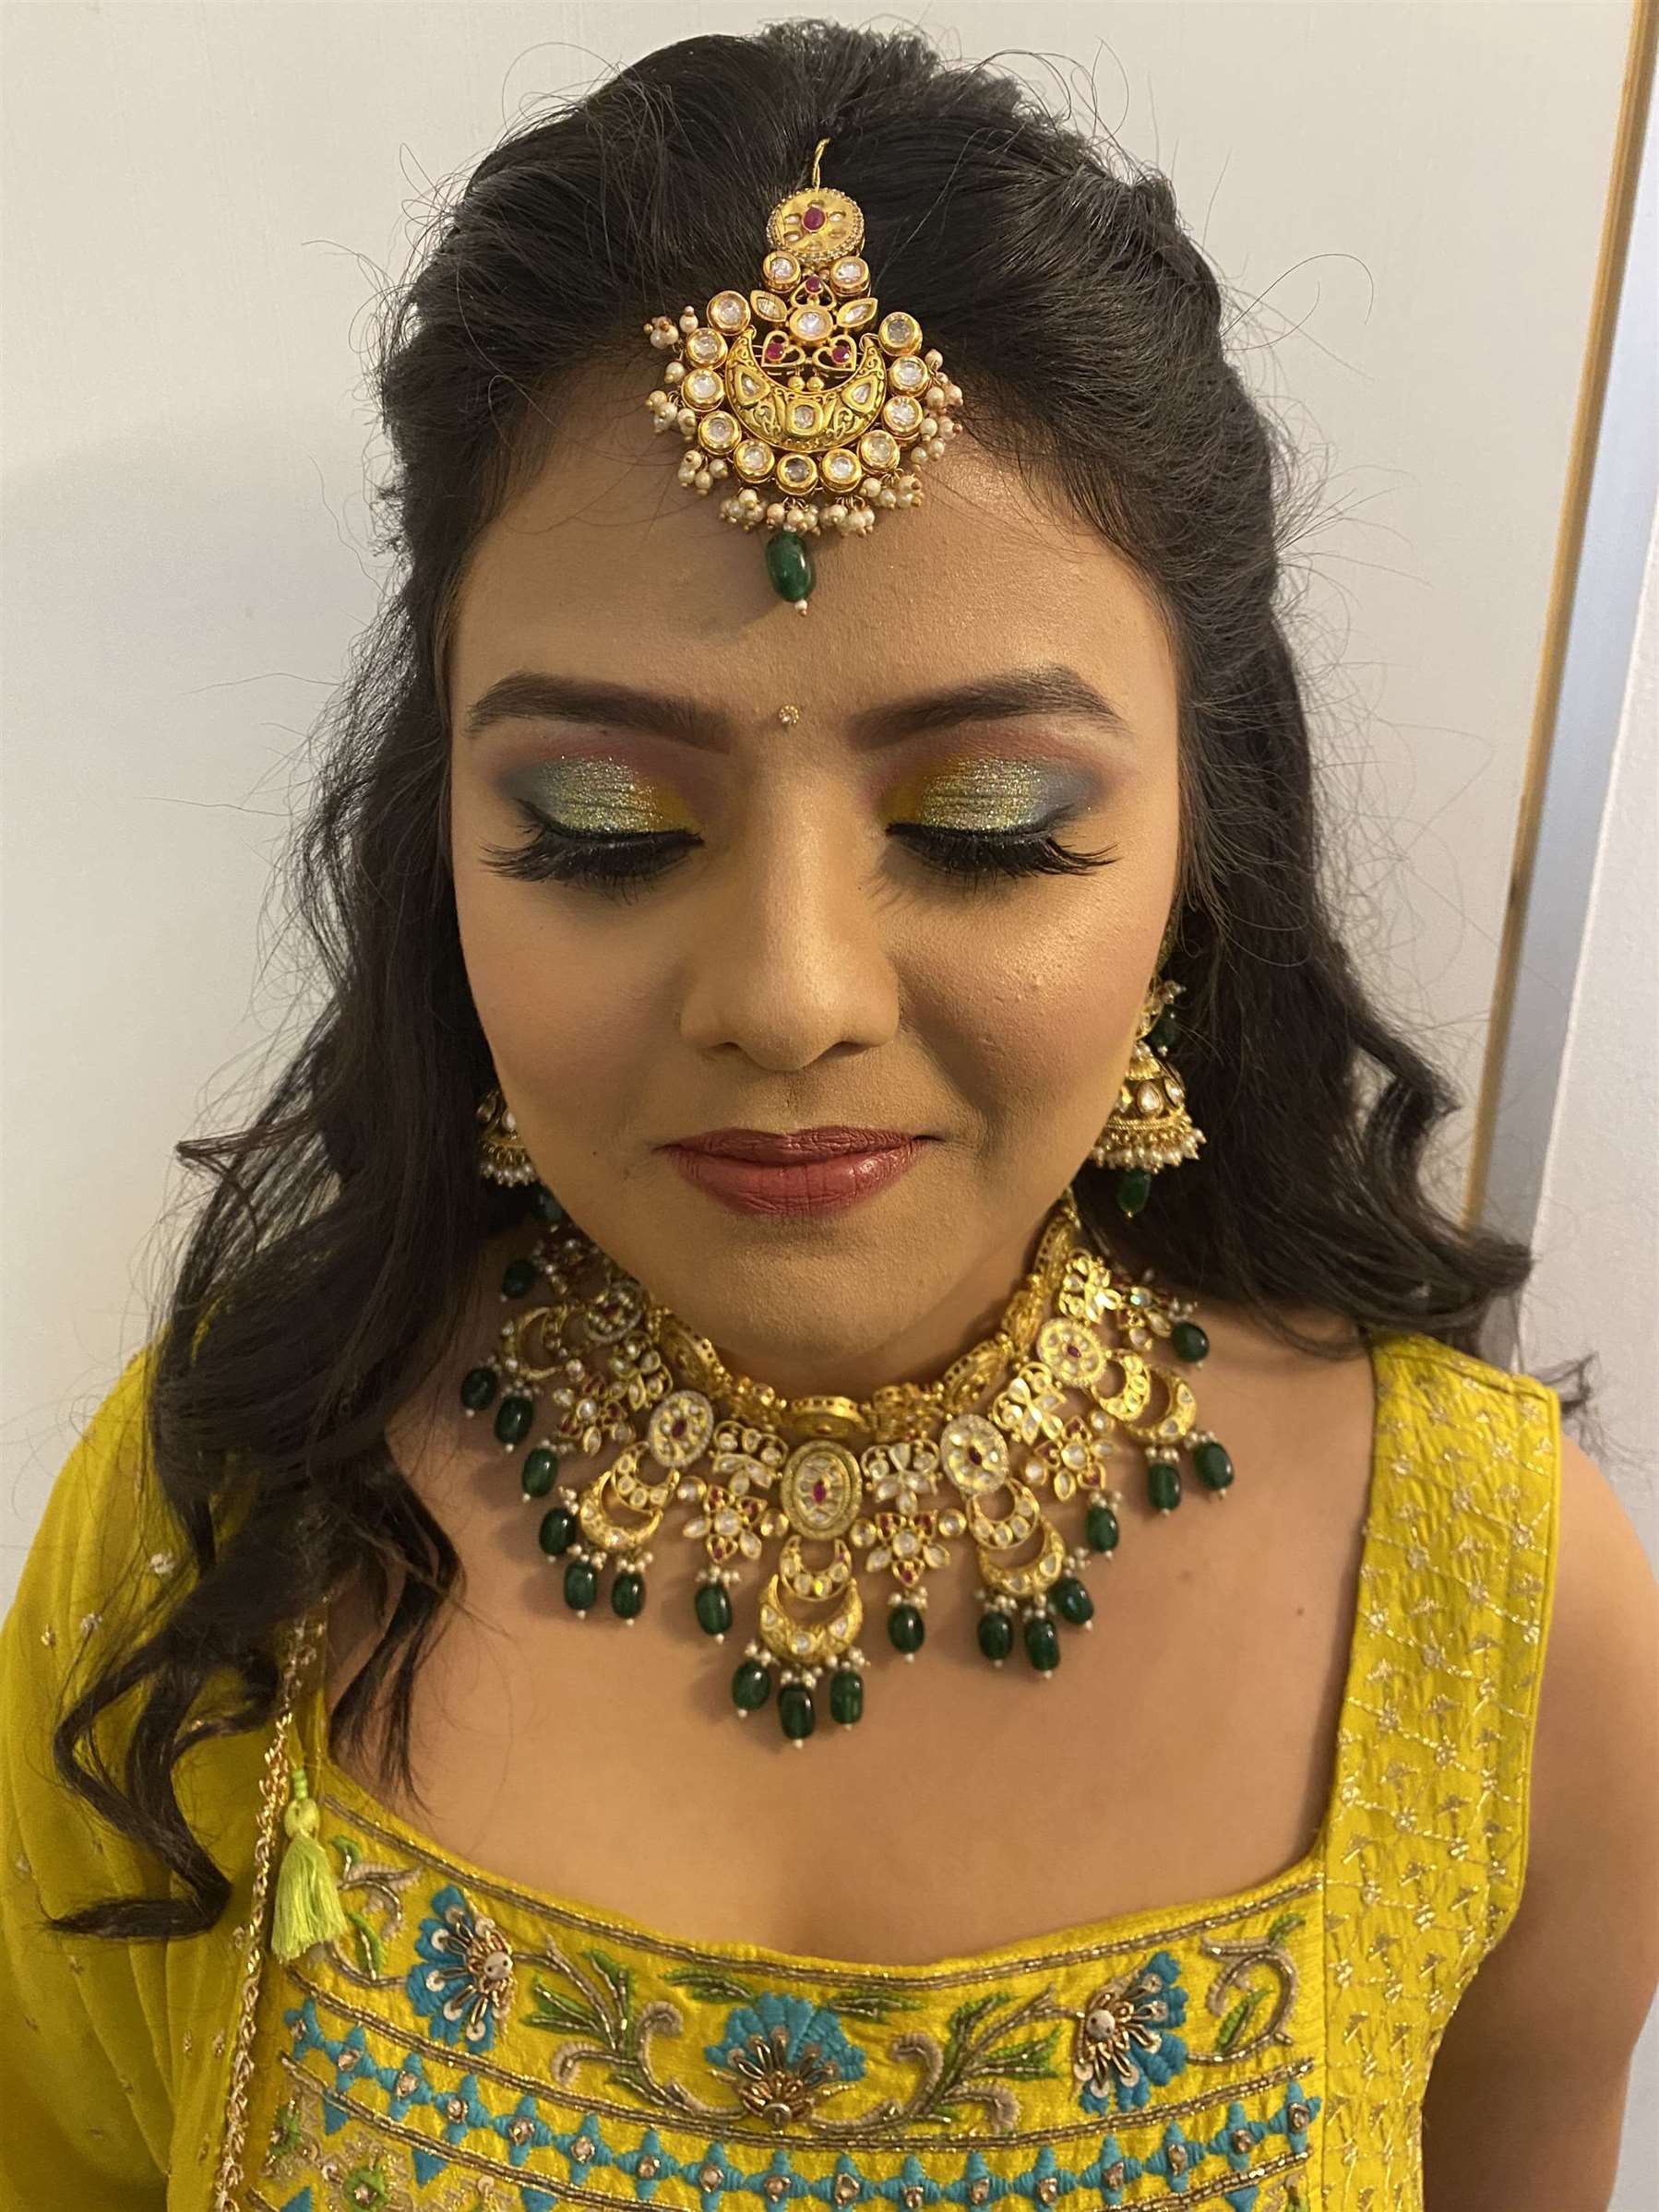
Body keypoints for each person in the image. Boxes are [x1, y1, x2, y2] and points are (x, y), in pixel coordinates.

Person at [3, 19, 1655, 2211]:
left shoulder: (1490, 1603)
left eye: (985, 823)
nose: (789, 995)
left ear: (1198, 847)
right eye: (599, 824)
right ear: (443, 844)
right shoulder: (230, 1512)